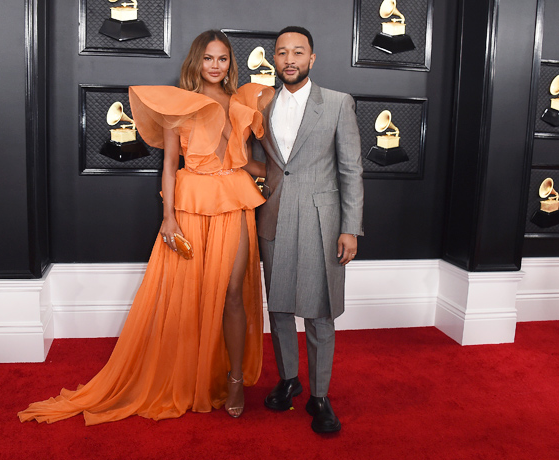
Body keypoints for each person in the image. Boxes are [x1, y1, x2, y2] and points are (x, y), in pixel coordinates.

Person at [18, 30, 275, 425]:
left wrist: (278, 175)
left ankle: (235, 378)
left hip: (235, 202)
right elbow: (170, 165)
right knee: (191, 294)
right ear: (196, 61)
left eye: (222, 58)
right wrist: (168, 217)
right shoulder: (178, 105)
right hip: (191, 204)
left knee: (232, 293)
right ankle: (189, 375)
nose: (215, 65)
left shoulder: (243, 101)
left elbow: (248, 159)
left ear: (230, 64)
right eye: (208, 58)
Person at [254, 26, 364, 433]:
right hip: (274, 216)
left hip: (322, 221)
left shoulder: (337, 103)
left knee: (319, 312)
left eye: (298, 52)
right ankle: (289, 380)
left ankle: (319, 396)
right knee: (279, 307)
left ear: (311, 59)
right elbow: (263, 163)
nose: (290, 59)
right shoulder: (261, 105)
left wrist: (350, 227)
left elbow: (351, 169)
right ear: (274, 59)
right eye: (282, 52)